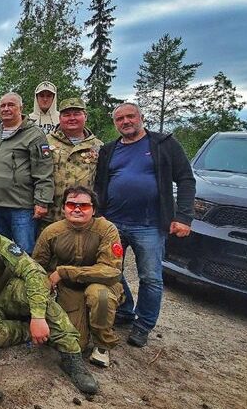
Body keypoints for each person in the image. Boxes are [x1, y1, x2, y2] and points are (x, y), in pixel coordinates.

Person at [0, 201, 99, 395]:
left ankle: (71, 356)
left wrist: (38, 316)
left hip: (6, 292)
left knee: (37, 293)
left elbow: (33, 270)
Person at [94, 102, 195, 348]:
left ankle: (143, 325)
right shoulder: (109, 150)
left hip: (150, 225)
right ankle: (126, 309)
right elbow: (100, 185)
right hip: (113, 223)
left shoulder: (163, 144)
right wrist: (98, 215)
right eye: (120, 119)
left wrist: (183, 217)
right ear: (115, 124)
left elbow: (185, 179)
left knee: (150, 276)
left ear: (141, 117)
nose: (126, 122)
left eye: (130, 116)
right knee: (111, 270)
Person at [33, 186, 123, 367]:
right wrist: (48, 281)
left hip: (101, 284)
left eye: (83, 206)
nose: (77, 209)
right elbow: (37, 267)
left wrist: (65, 272)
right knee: (75, 345)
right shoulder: (51, 232)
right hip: (68, 289)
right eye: (71, 204)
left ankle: (102, 345)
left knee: (100, 296)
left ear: (94, 209)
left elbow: (110, 271)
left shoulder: (107, 230)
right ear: (64, 207)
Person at [0, 92, 53, 254]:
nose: (6, 109)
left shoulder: (34, 134)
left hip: (21, 207)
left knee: (24, 252)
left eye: (11, 105)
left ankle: (27, 280)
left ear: (21, 108)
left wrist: (42, 201)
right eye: (2, 105)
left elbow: (44, 169)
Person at [44, 97, 103, 225]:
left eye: (77, 114)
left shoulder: (98, 146)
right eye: (66, 115)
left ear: (85, 116)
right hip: (51, 214)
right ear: (60, 118)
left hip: (83, 215)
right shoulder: (45, 142)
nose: (72, 118)